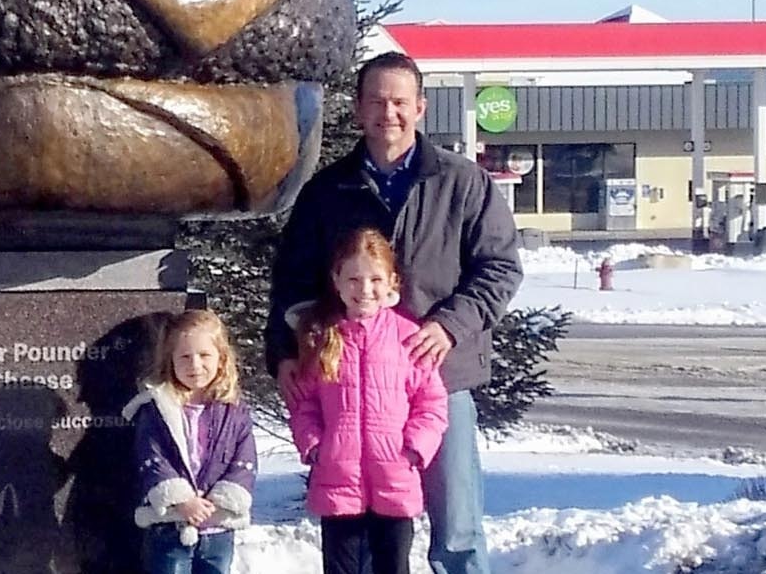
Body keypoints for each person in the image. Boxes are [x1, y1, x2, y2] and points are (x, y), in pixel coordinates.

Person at [266, 51, 524, 574]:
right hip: (351, 391)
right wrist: (285, 352)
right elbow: (291, 282)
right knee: (361, 540)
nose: (390, 113)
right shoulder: (326, 192)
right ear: (359, 110)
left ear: (421, 108)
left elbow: (499, 268)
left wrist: (451, 326)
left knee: (458, 530)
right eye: (377, 101)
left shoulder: (462, 182)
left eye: (401, 102)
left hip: (438, 380)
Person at [287, 227, 449, 574]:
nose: (364, 290)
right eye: (354, 279)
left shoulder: (409, 337)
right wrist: (315, 445)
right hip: (338, 480)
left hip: (395, 478)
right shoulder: (323, 338)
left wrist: (415, 448)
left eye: (375, 279)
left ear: (392, 281)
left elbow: (431, 404)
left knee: (392, 566)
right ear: (337, 280)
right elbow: (305, 404)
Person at [124, 309, 258, 574]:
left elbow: (245, 460)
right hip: (171, 525)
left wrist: (220, 501)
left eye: (204, 355)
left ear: (221, 359)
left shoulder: (235, 412)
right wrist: (182, 501)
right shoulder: (158, 410)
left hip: (217, 528)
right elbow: (151, 456)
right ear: (170, 360)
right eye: (185, 357)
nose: (195, 365)